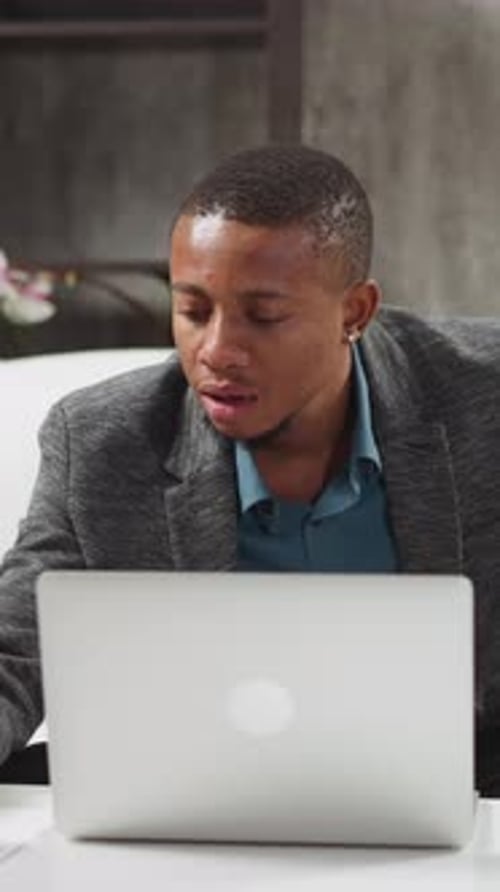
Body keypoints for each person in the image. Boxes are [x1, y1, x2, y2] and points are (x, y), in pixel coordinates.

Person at [0, 145, 499, 794]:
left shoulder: (482, 399)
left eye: (264, 317)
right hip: (198, 808)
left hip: (465, 816)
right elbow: (14, 652)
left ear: (355, 312)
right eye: (194, 311)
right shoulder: (101, 442)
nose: (217, 351)